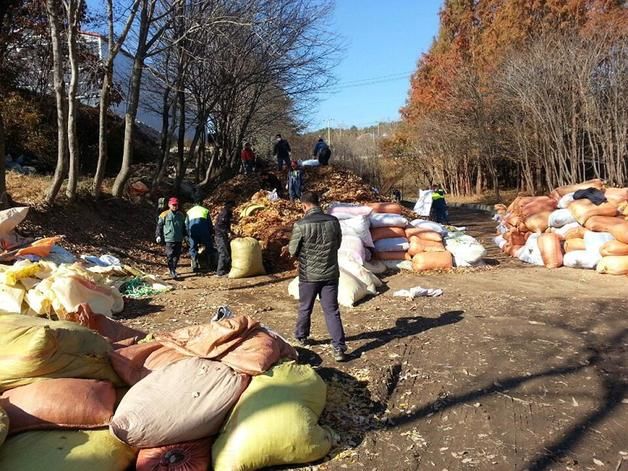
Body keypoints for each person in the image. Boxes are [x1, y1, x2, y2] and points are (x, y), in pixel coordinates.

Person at [288, 191, 348, 362]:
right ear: (318, 203)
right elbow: (338, 244)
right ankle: (339, 348)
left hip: (308, 275)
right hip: (330, 274)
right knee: (332, 310)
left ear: (304, 206)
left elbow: (292, 251)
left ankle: (301, 337)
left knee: (305, 307)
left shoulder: (301, 224)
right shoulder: (333, 221)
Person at [156, 197, 187, 279]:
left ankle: (173, 269)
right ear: (169, 205)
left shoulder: (181, 215)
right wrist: (158, 235)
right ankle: (172, 271)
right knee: (170, 255)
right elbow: (159, 226)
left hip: (178, 238)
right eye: (173, 205)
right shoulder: (164, 214)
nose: (175, 206)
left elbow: (184, 227)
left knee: (177, 255)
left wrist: (186, 236)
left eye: (176, 205)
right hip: (169, 238)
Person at [186, 198, 216, 273]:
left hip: (193, 232)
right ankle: (211, 265)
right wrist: (211, 232)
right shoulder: (205, 210)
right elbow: (209, 223)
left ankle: (195, 266)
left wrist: (187, 234)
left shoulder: (189, 211)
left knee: (193, 247)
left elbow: (186, 224)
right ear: (201, 203)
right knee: (208, 246)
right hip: (204, 231)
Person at [214, 200, 235, 276]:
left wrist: (230, 232)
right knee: (223, 253)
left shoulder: (228, 213)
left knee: (226, 253)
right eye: (232, 207)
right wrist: (227, 232)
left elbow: (227, 225)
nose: (233, 209)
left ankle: (225, 269)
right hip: (219, 236)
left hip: (223, 235)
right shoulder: (225, 213)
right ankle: (219, 271)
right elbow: (220, 225)